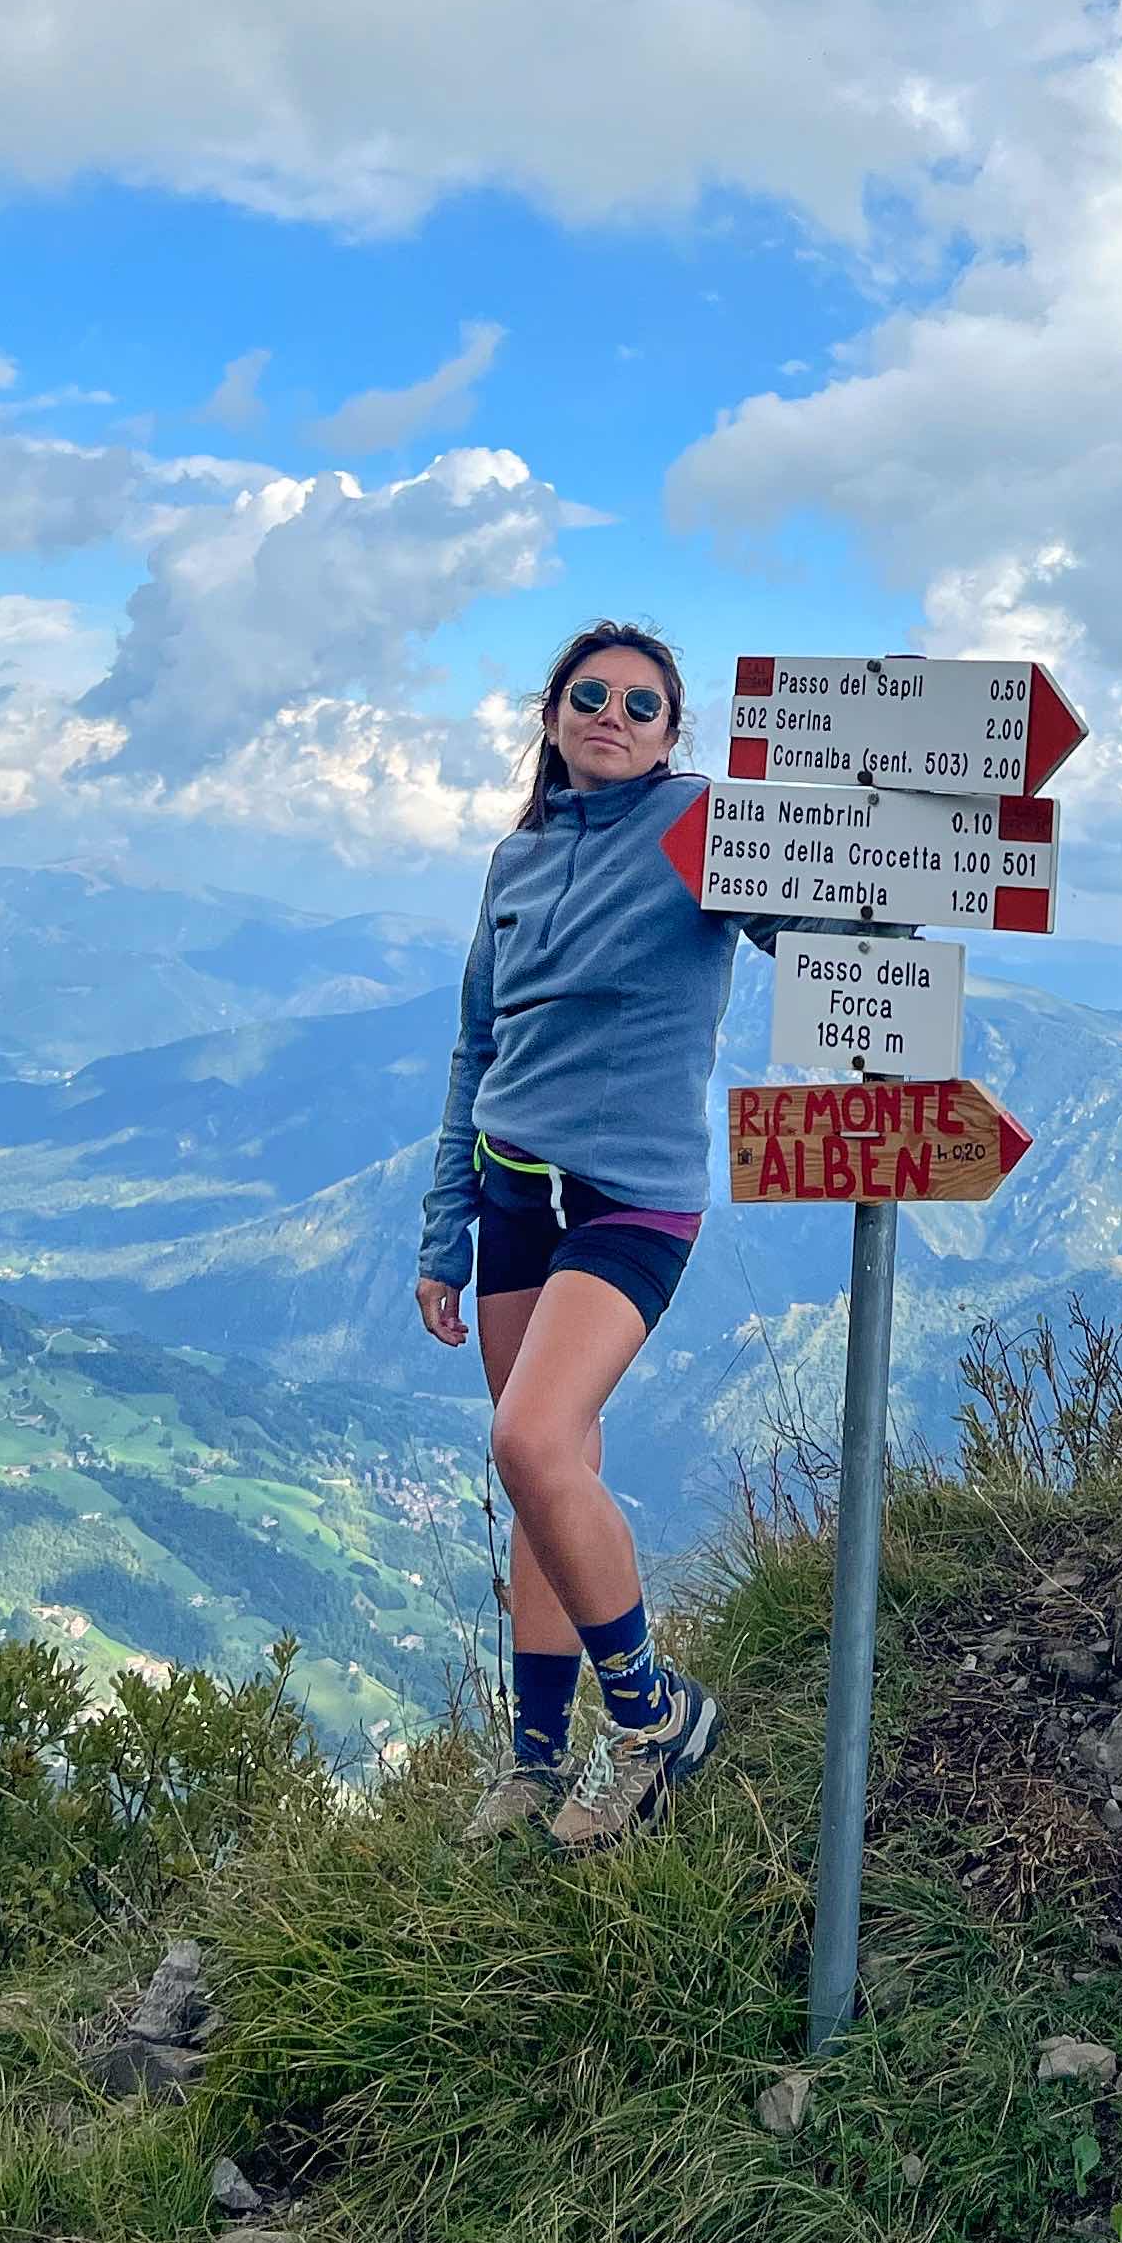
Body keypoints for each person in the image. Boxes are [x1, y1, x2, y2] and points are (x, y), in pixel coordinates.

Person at [416, 619, 763, 1850]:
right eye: (591, 696)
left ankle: (656, 1719)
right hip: (512, 1194)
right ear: (553, 717)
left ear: (672, 734)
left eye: (641, 703)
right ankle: (533, 1757)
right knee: (543, 1475)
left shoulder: (702, 826)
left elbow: (802, 918)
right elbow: (478, 1046)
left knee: (528, 1439)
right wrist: (444, 1230)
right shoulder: (516, 860)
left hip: (631, 1202)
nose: (613, 715)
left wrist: (875, 914)